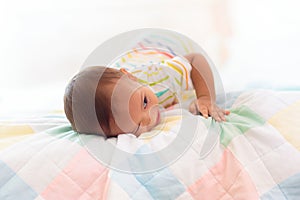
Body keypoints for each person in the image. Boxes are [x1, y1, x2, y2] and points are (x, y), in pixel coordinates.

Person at [64, 53, 230, 137]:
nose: (149, 117)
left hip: (150, 60)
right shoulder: (129, 102)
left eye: (144, 102)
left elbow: (195, 60)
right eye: (138, 127)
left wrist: (205, 97)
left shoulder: (161, 79)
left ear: (130, 77)